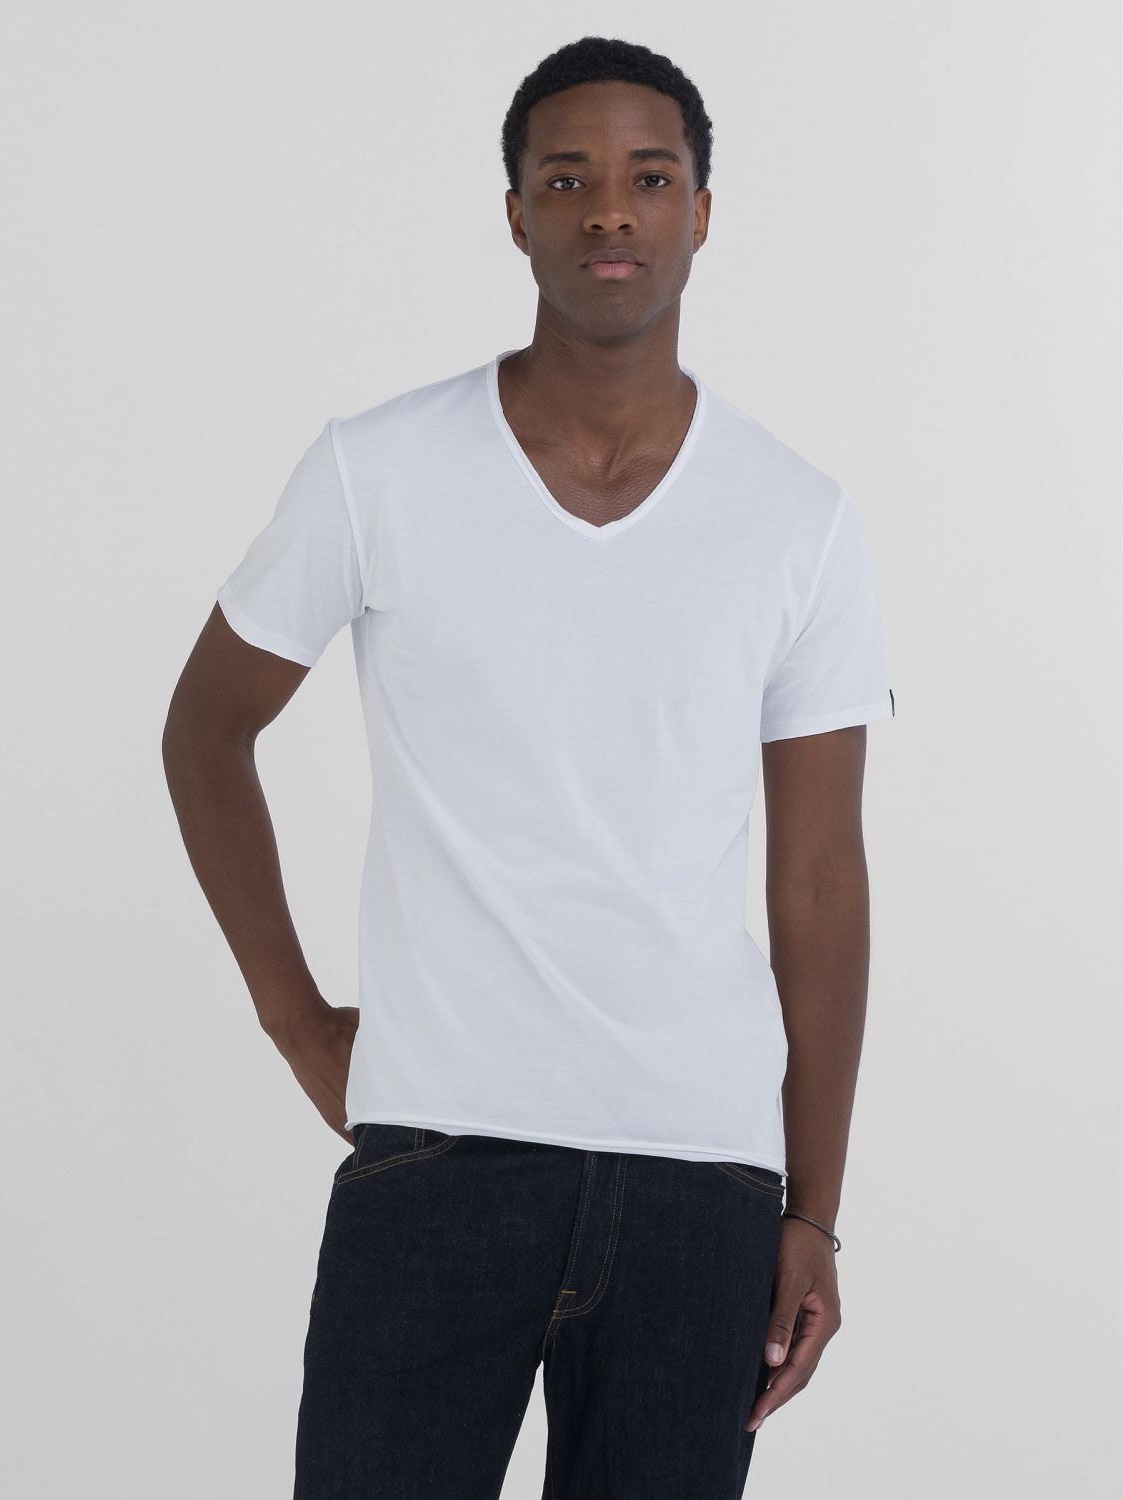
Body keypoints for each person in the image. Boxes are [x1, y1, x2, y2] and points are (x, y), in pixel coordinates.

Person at [162, 34, 895, 1500]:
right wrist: (298, 1023)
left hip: (700, 1180)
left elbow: (817, 879)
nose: (609, 210)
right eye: (567, 179)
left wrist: (812, 1212)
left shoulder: (795, 519)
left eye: (648, 177)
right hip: (439, 1157)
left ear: (701, 210)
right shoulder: (379, 469)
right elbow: (206, 730)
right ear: (515, 214)